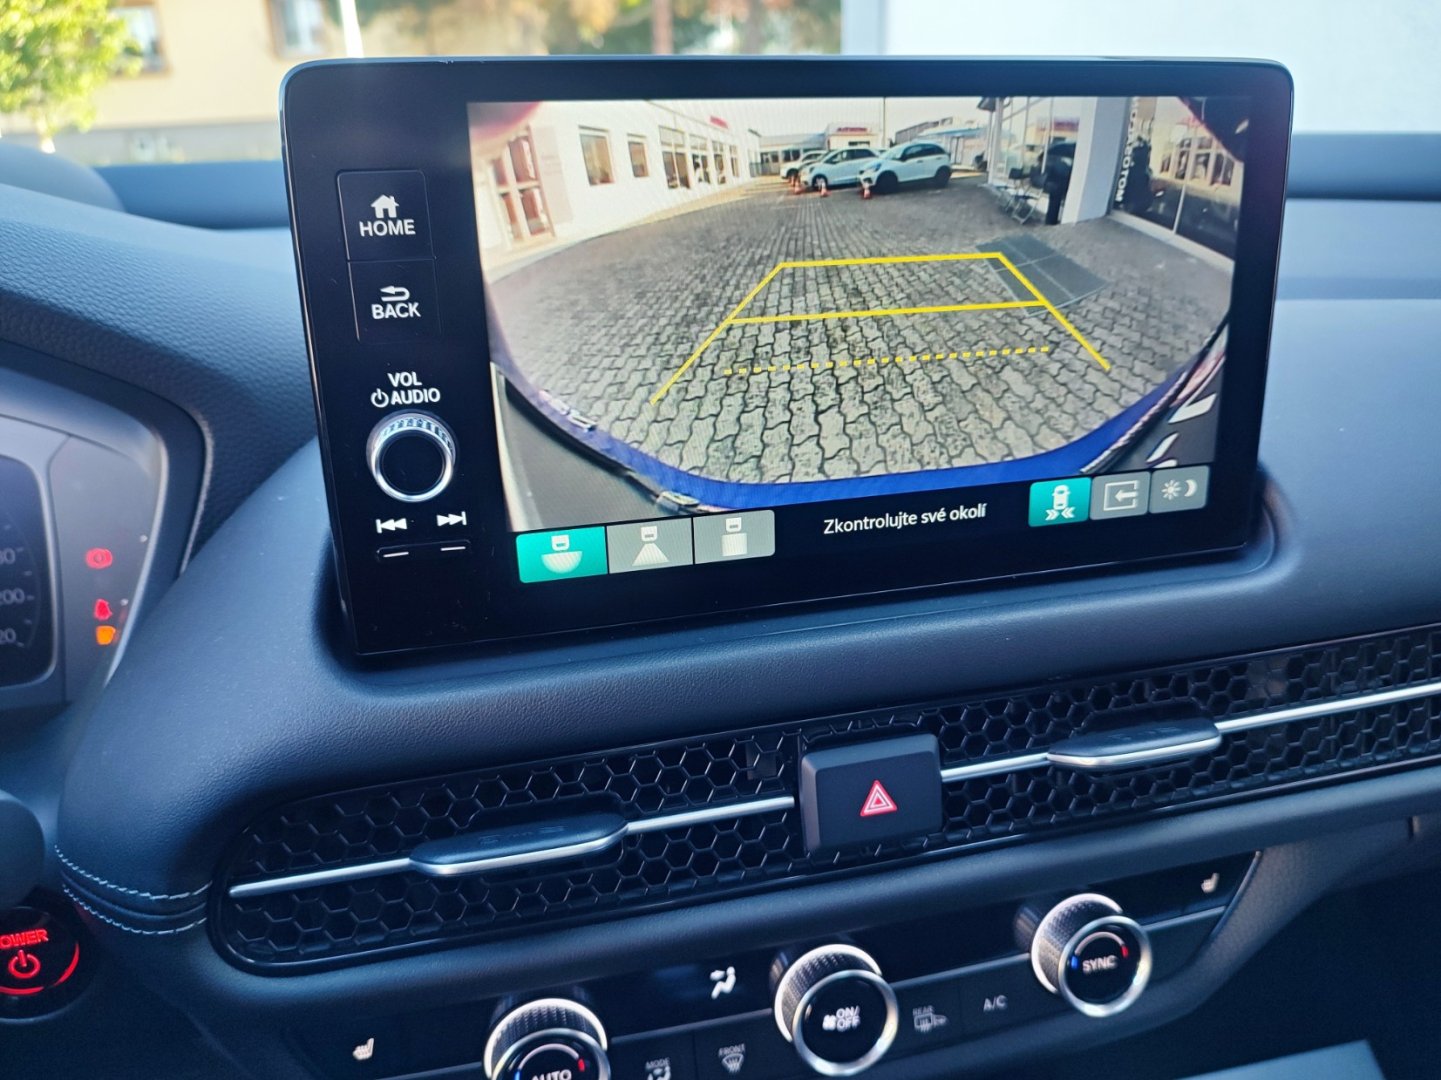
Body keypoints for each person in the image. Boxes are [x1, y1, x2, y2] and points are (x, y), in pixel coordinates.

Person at [1041, 144, 1073, 226]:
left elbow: (1050, 174)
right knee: (1055, 205)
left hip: (1053, 186)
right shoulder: (1066, 166)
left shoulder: (1056, 163)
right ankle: (1052, 221)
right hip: (1059, 187)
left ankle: (1049, 220)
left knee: (1052, 204)